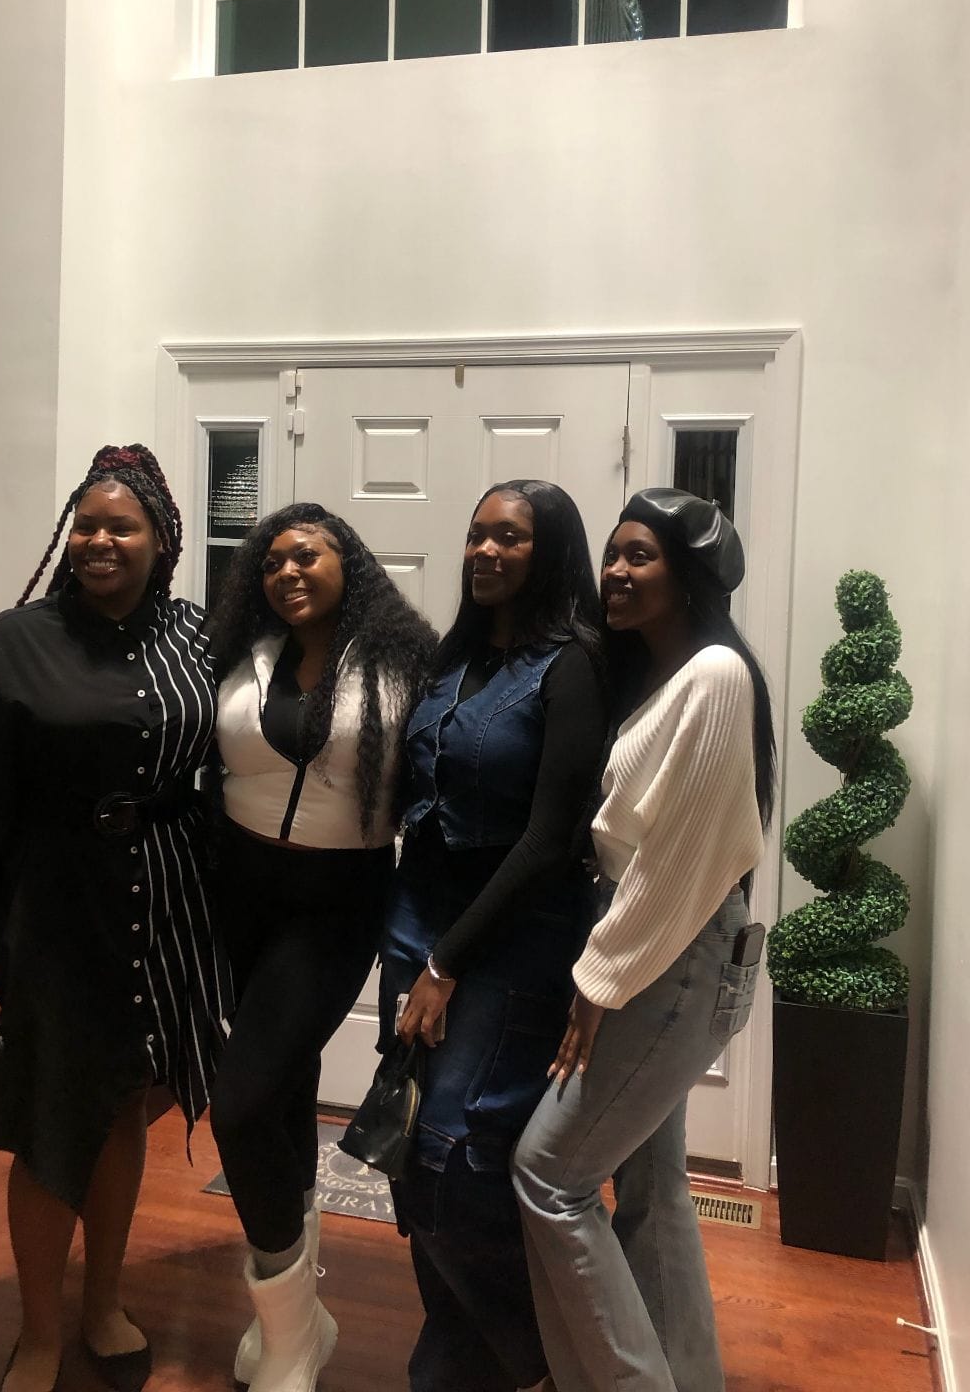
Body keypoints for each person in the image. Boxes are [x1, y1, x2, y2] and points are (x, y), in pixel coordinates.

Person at [0, 444, 228, 1392]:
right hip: (47, 916)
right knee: (49, 1120)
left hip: (164, 905)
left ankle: (103, 1302)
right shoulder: (12, 642)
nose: (100, 540)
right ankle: (39, 1331)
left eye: (122, 527)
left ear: (161, 539)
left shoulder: (198, 635)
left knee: (124, 1107)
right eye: (87, 525)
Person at [511, 487, 777, 1392]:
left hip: (671, 952)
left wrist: (599, 980)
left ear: (689, 575)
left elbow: (680, 861)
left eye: (641, 556)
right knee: (654, 1184)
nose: (616, 572)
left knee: (547, 1175)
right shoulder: (664, 676)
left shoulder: (717, 675)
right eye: (613, 554)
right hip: (658, 946)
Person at [384, 479, 607, 1392]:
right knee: (405, 1145)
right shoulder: (456, 657)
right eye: (477, 534)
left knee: (457, 1161)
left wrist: (447, 961)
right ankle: (452, 1357)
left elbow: (550, 840)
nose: (484, 551)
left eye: (509, 537)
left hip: (511, 941)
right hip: (418, 926)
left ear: (549, 551)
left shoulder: (573, 666)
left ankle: (534, 1364)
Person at [207, 502, 436, 1392]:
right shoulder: (242, 653)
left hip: (336, 904)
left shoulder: (403, 661)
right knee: (281, 1092)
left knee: (240, 1102)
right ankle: (299, 1317)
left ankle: (293, 1333)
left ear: (351, 563)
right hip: (239, 897)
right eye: (271, 562)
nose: (287, 572)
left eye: (306, 555)